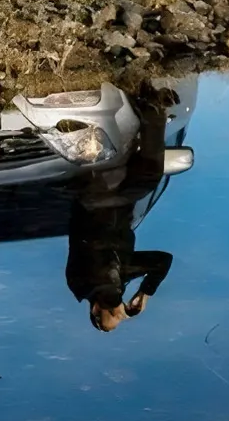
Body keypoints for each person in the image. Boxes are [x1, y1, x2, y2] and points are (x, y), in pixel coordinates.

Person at [64, 87, 179, 332]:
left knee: (97, 159)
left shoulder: (80, 285)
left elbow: (101, 274)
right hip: (124, 202)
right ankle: (152, 106)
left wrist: (114, 300)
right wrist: (145, 292)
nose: (120, 313)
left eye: (112, 316)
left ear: (96, 310)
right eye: (120, 316)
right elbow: (163, 261)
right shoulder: (125, 274)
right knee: (150, 177)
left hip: (93, 204)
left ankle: (87, 107)